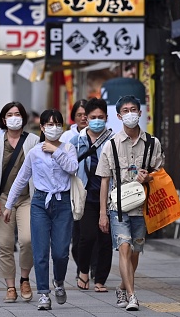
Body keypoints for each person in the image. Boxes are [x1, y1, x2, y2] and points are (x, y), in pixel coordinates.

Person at [3, 109, 78, 311]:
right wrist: (9, 205)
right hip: (40, 203)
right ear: (42, 127)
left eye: (57, 124)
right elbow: (21, 180)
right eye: (49, 125)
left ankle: (59, 282)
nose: (54, 128)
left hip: (62, 203)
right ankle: (43, 294)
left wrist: (56, 151)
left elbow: (72, 168)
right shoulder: (35, 152)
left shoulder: (69, 148)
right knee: (40, 251)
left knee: (61, 252)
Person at [96, 95, 164, 311]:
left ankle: (122, 287)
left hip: (141, 206)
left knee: (134, 252)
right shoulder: (111, 146)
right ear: (118, 116)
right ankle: (132, 296)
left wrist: (149, 177)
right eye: (125, 111)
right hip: (118, 207)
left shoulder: (153, 143)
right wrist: (102, 213)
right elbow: (104, 181)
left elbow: (160, 173)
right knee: (124, 248)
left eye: (133, 109)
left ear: (140, 113)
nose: (130, 114)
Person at [0, 102, 40, 303]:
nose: (14, 117)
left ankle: (24, 279)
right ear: (3, 119)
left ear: (24, 118)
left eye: (18, 114)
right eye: (10, 114)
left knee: (27, 240)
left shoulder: (33, 140)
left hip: (27, 199)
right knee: (5, 244)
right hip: (2, 199)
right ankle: (10, 286)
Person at [70, 98, 114, 293]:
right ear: (86, 119)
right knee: (86, 237)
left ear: (107, 118)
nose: (97, 120)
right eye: (93, 117)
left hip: (109, 195)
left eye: (101, 117)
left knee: (105, 240)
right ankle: (83, 270)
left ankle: (101, 279)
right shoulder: (77, 141)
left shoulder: (114, 140)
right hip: (85, 195)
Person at [59, 99, 88, 278]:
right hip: (74, 190)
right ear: (73, 118)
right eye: (79, 115)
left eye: (86, 114)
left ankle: (90, 267)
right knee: (77, 234)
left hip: (94, 188)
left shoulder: (103, 135)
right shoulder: (66, 138)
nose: (83, 118)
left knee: (93, 233)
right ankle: (81, 265)